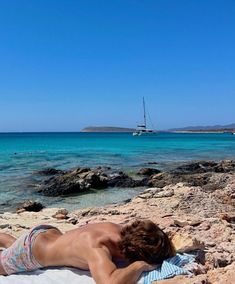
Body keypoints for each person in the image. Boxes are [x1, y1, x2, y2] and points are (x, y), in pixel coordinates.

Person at [0, 220, 175, 284]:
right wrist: (139, 265)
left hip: (46, 233)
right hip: (29, 253)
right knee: (4, 261)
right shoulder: (96, 248)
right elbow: (108, 283)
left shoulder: (117, 229)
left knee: (13, 243)